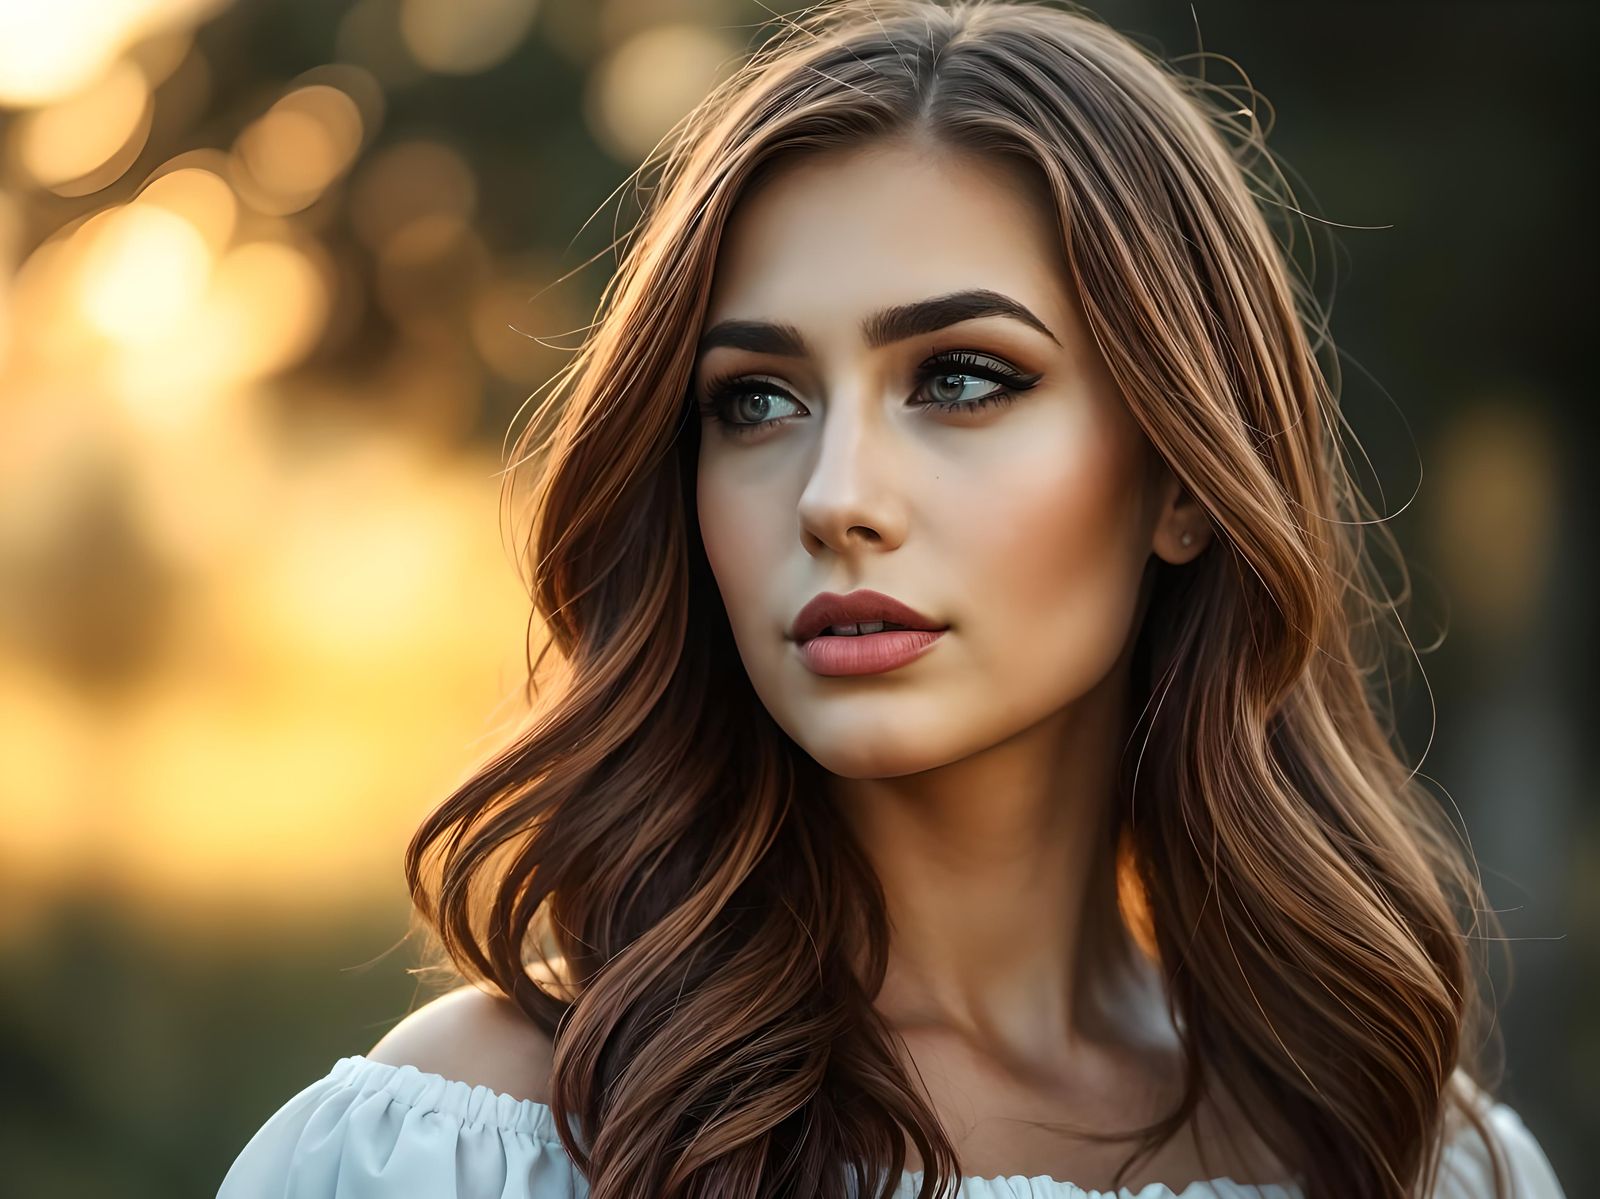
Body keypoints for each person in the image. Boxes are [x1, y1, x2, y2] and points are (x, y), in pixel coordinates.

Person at [216, 1, 1569, 1196]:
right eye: (755, 400)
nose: (833, 494)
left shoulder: (1419, 1159)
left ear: (1182, 481)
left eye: (963, 378)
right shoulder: (471, 1146)